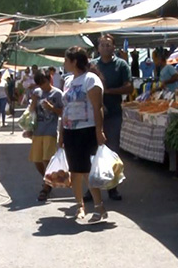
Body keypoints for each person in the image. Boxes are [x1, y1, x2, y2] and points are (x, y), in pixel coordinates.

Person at [60, 46, 107, 221]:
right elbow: (66, 108)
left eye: (66, 60)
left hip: (87, 130)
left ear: (74, 62)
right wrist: (61, 134)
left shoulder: (90, 80)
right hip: (70, 130)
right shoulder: (68, 81)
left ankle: (99, 207)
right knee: (74, 171)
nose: (64, 63)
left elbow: (97, 107)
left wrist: (99, 130)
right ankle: (80, 206)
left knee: (88, 171)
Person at [89, 34, 132, 201]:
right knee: (92, 150)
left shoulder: (121, 65)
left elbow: (128, 88)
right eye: (103, 45)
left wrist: (108, 91)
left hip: (113, 113)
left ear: (114, 47)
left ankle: (113, 187)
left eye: (109, 45)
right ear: (98, 48)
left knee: (112, 149)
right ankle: (92, 187)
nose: (106, 47)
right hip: (94, 114)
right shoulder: (93, 65)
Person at [29, 71, 64, 202]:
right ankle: (48, 180)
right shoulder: (37, 93)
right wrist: (33, 103)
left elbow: (63, 112)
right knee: (36, 160)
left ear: (49, 79)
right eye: (40, 84)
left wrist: (51, 108)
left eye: (44, 82)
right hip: (38, 130)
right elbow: (31, 112)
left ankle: (45, 187)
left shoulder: (58, 93)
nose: (42, 86)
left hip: (50, 130)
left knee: (46, 159)